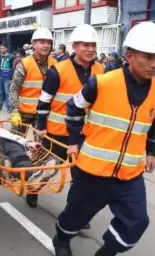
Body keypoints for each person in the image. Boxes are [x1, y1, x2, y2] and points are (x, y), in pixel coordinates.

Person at [51, 21, 155, 256]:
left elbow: (153, 127)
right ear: (129, 56)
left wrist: (151, 150)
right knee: (76, 217)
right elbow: (73, 108)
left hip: (129, 173)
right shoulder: (101, 83)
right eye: (147, 56)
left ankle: (107, 254)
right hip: (93, 169)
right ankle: (61, 239)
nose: (154, 63)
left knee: (137, 221)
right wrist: (73, 140)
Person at [35, 24, 104, 211]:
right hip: (57, 132)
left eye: (92, 45)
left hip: (84, 134)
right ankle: (33, 191)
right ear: (74, 47)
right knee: (47, 169)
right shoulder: (58, 70)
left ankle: (74, 210)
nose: (90, 49)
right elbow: (44, 101)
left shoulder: (100, 70)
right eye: (85, 45)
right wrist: (41, 126)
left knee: (81, 175)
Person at [9, 27, 56, 208]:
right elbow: (14, 88)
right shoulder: (24, 63)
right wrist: (13, 110)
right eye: (41, 42)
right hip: (21, 113)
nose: (45, 45)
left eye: (48, 42)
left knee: (40, 151)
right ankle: (14, 174)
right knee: (15, 145)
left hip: (41, 116)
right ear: (34, 44)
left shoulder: (55, 64)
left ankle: (33, 189)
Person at [0, 43, 14, 112]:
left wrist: (11, 78)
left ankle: (8, 107)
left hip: (7, 77)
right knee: (1, 92)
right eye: (1, 48)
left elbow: (13, 68)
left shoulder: (11, 57)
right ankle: (0, 105)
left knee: (7, 93)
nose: (2, 49)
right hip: (1, 76)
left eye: (3, 48)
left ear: (6, 49)